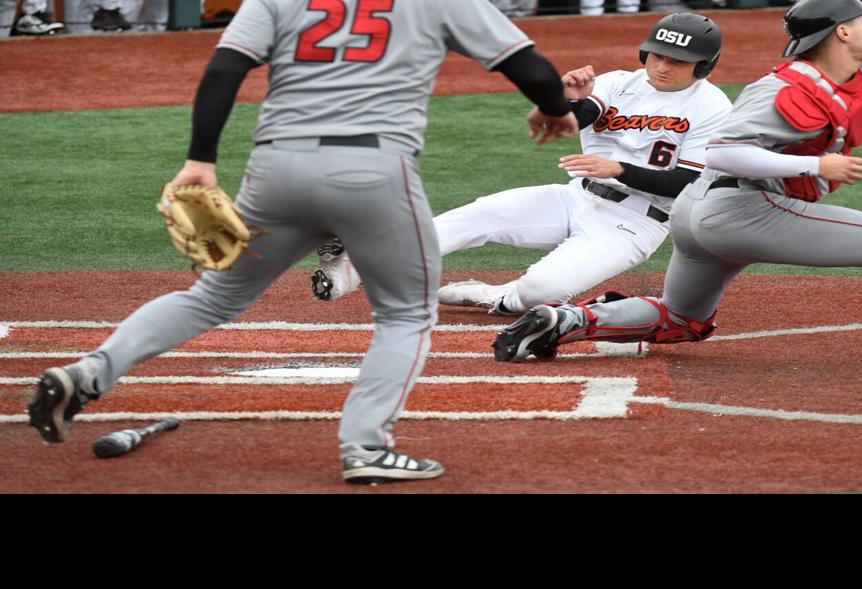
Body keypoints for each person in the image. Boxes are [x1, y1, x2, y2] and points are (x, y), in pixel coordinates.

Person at [27, 0, 579, 484]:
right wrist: (554, 110)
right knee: (405, 313)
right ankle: (366, 447)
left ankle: (88, 374)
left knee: (212, 297)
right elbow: (527, 65)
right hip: (371, 172)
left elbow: (224, 69)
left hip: (276, 171)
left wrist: (200, 159)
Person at [492, 0, 862, 371]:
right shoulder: (785, 89)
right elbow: (724, 151)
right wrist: (812, 168)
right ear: (838, 35)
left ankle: (567, 323)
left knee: (681, 320)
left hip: (701, 218)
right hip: (738, 207)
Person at [311, 13, 731, 319]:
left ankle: (496, 295)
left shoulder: (712, 107)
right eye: (657, 54)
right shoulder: (621, 81)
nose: (662, 65)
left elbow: (689, 184)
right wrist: (566, 99)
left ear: (704, 66)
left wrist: (618, 168)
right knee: (476, 215)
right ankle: (352, 267)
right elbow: (571, 122)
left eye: (677, 60)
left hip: (633, 225)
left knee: (539, 291)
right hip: (574, 198)